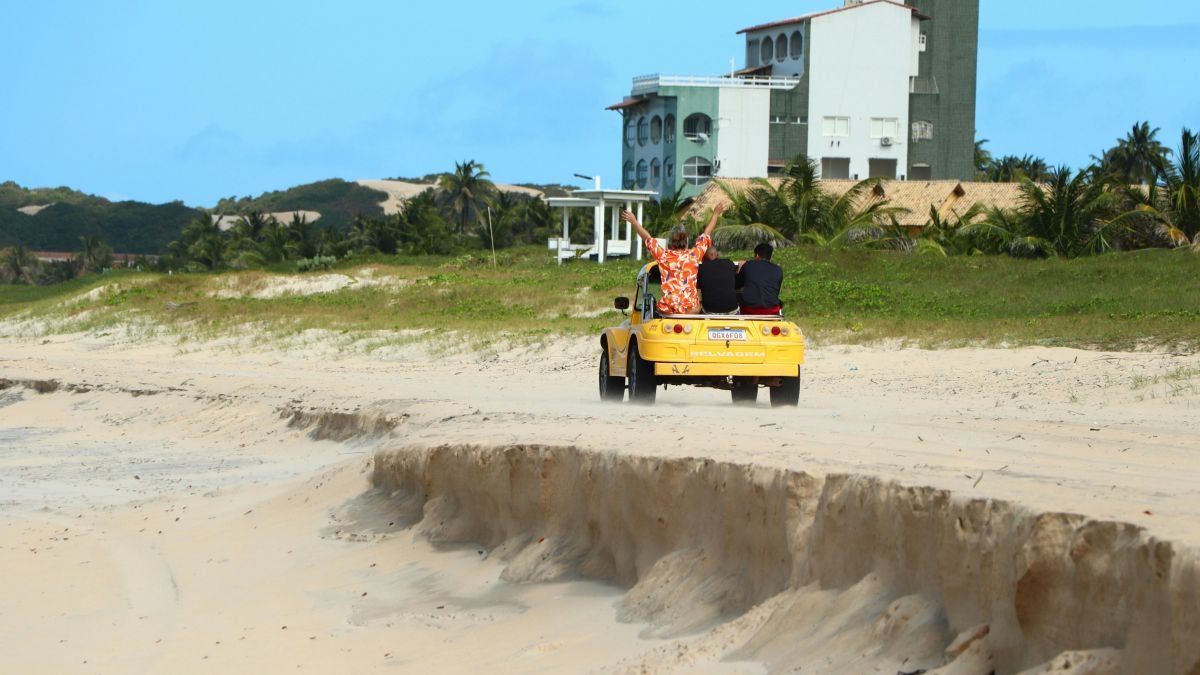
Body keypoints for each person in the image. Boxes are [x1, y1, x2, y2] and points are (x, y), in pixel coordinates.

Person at [621, 204, 725, 315]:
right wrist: (715, 214)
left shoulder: (663, 256)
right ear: (686, 244)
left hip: (669, 309)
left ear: (670, 243)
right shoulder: (694, 255)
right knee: (698, 306)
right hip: (691, 310)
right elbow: (707, 233)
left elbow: (647, 238)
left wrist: (634, 221)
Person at [736, 243, 783, 315]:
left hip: (749, 309)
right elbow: (776, 292)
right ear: (770, 256)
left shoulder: (748, 265)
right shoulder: (778, 270)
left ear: (757, 255)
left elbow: (737, 285)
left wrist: (739, 269)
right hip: (771, 310)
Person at [696, 244, 738, 314]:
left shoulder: (701, 268)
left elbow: (698, 285)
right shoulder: (729, 263)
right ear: (716, 255)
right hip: (732, 309)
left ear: (709, 255)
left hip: (710, 310)